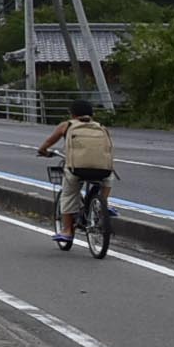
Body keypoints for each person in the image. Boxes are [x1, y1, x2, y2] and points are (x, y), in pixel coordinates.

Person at [38, 104, 114, 252]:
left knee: (67, 194)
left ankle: (66, 230)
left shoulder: (67, 125)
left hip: (77, 169)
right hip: (103, 170)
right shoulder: (102, 128)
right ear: (92, 114)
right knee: (108, 177)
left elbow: (48, 143)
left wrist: (43, 151)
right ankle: (101, 205)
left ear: (72, 114)